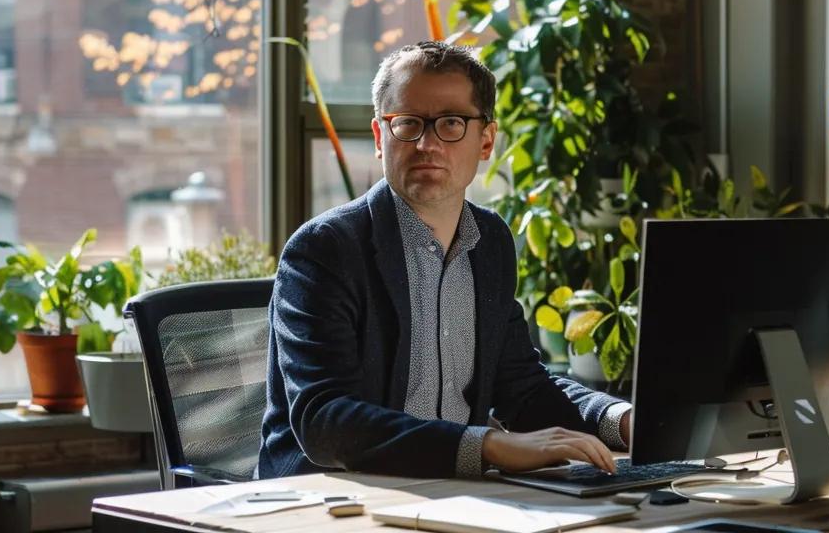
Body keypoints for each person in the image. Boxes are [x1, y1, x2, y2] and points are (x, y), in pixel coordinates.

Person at [257, 41, 632, 479]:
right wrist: (489, 446)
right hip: (336, 497)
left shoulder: (489, 242)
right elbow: (325, 421)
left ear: (486, 140)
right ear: (381, 137)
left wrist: (621, 421)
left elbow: (523, 388)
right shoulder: (326, 249)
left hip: (459, 493)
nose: (426, 144)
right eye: (408, 124)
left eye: (451, 123)